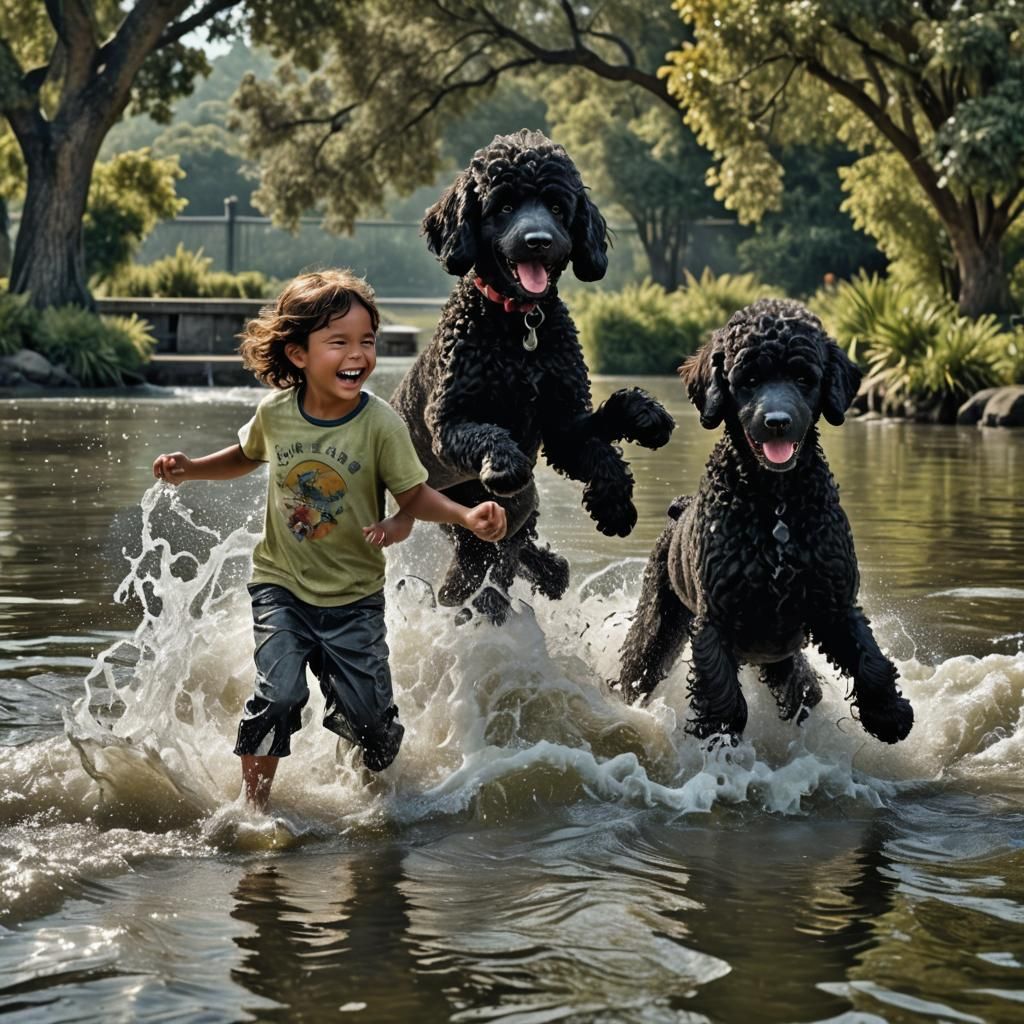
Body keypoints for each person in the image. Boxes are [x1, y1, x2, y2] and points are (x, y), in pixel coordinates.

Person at [152, 269, 506, 811]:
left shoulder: (381, 424)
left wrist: (464, 514)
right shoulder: (275, 414)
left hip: (355, 599)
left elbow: (413, 495)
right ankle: (253, 811)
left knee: (371, 724)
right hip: (281, 588)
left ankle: (377, 795)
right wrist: (193, 468)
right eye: (339, 342)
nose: (358, 354)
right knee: (278, 696)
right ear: (298, 354)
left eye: (367, 341)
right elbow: (246, 455)